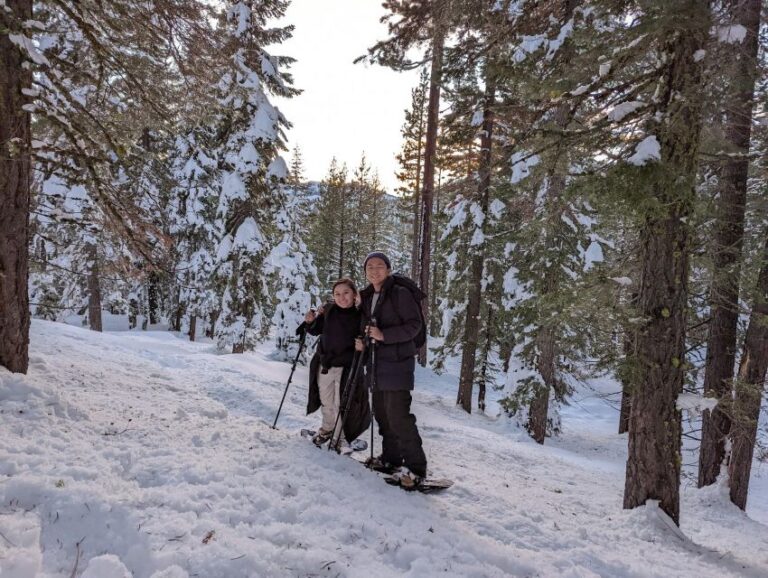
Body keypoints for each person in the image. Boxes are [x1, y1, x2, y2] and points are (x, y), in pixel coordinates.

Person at [356, 251, 427, 488]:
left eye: (379, 266)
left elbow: (414, 326)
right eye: (369, 267)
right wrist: (364, 340)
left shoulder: (400, 293)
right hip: (375, 365)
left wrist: (384, 335)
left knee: (399, 418)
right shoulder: (367, 297)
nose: (374, 270)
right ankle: (391, 459)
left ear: (387, 269)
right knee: (383, 416)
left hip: (397, 364)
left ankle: (416, 469)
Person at [304, 278, 362, 447]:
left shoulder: (360, 315)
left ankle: (340, 438)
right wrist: (309, 322)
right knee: (326, 400)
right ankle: (327, 429)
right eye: (337, 294)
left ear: (354, 295)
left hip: (346, 367)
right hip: (325, 365)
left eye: (346, 293)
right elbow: (316, 329)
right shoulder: (329, 310)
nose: (341, 297)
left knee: (341, 404)